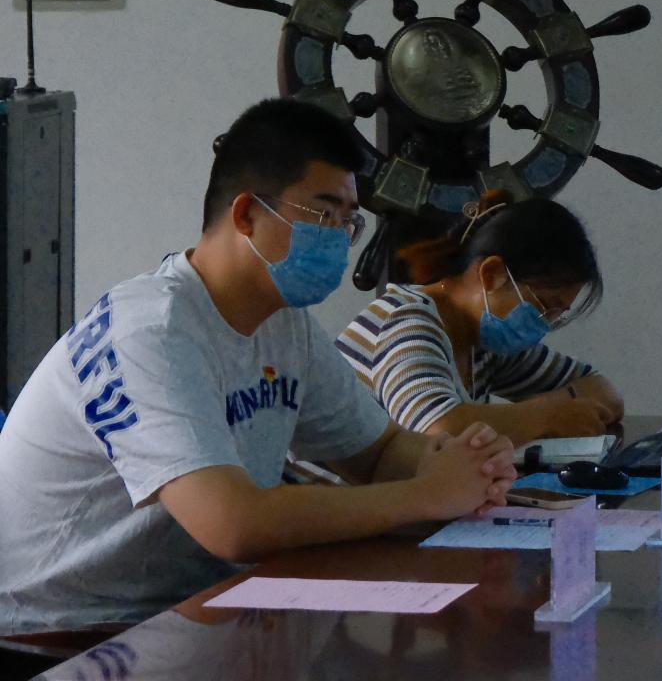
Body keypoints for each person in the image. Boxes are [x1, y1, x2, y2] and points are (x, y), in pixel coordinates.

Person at [0, 99, 516, 633]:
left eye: (349, 221)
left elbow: (378, 453)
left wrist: (458, 462)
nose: (339, 238)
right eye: (324, 215)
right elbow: (232, 524)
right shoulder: (151, 331)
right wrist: (424, 494)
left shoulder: (285, 324)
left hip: (193, 609)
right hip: (59, 634)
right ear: (246, 214)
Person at [334, 191, 624, 445]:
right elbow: (437, 430)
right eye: (544, 305)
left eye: (556, 315)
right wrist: (546, 416)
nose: (544, 323)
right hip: (348, 492)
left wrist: (552, 408)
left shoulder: (484, 340)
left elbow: (604, 392)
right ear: (492, 274)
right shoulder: (407, 322)